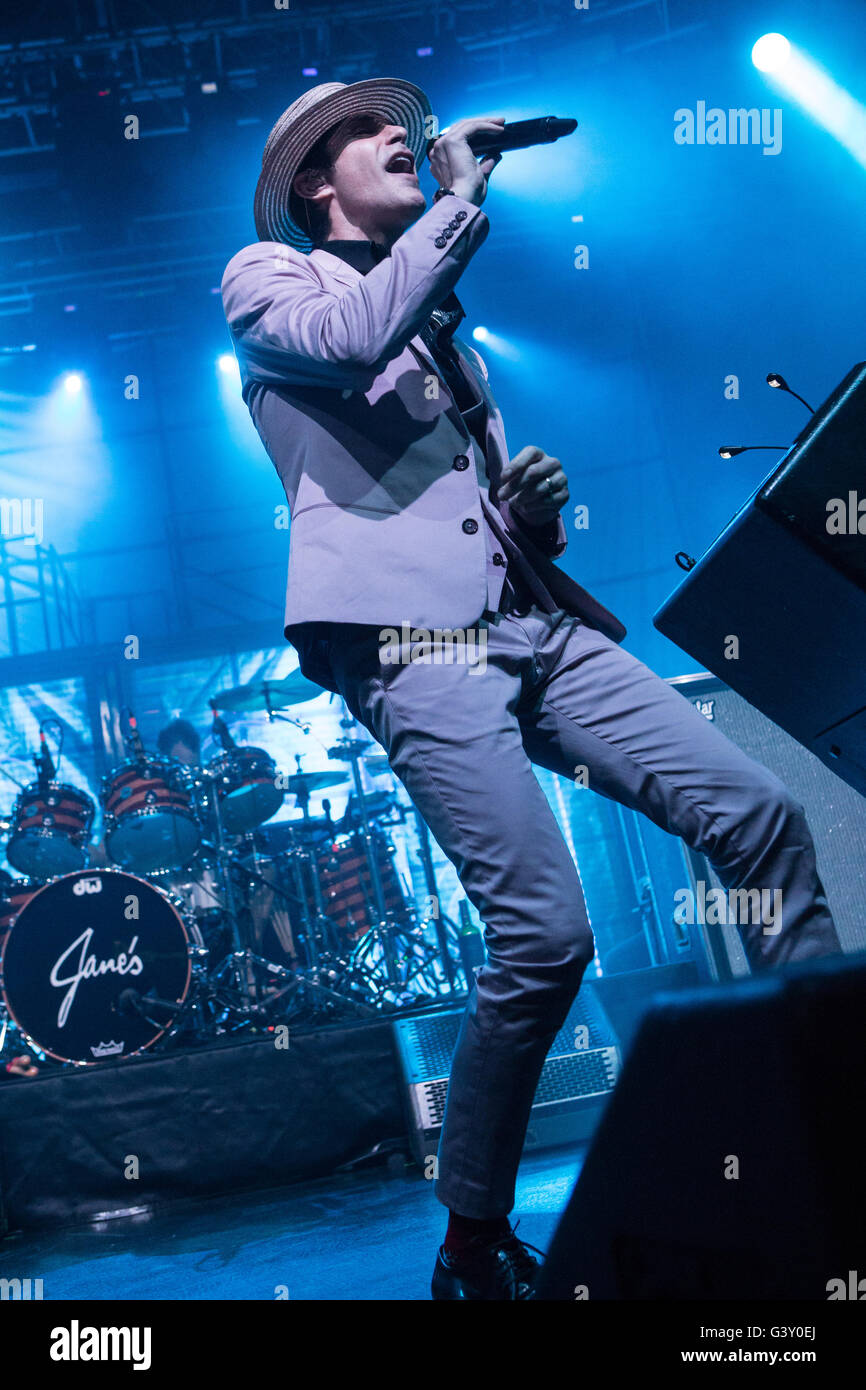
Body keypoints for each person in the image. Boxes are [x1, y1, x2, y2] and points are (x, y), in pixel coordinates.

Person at [221, 79, 841, 1300]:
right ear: (312, 184)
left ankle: (827, 1111)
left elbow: (481, 514)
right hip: (408, 640)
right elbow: (349, 348)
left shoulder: (445, 327)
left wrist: (529, 515)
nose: (401, 131)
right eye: (366, 132)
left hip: (528, 625)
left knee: (756, 815)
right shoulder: (269, 280)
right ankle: (468, 1233)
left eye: (402, 124)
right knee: (547, 936)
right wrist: (457, 199)